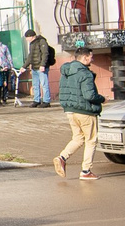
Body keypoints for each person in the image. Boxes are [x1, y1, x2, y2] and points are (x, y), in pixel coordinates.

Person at [54, 49, 110, 182]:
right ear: (85, 58)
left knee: (78, 138)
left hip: (70, 110)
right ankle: (86, 171)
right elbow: (89, 95)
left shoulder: (66, 72)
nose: (92, 60)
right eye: (91, 57)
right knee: (91, 140)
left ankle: (62, 157)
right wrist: (103, 99)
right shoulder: (85, 74)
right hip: (86, 111)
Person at [29, 36, 57, 107]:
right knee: (35, 85)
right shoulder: (32, 44)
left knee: (44, 84)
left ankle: (46, 101)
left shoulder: (42, 41)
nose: (26, 39)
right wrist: (25, 66)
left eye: (27, 37)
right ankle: (36, 100)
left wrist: (43, 65)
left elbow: (45, 54)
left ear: (31, 36)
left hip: (41, 67)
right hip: (34, 67)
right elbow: (31, 56)